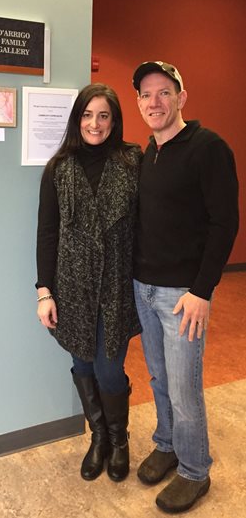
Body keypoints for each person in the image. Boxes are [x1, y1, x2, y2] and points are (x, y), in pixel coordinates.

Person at [132, 61, 239, 513]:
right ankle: (167, 443)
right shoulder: (148, 152)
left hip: (182, 296)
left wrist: (202, 290)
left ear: (181, 97)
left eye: (164, 92)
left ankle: (195, 470)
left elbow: (224, 222)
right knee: (159, 378)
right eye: (146, 95)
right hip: (144, 287)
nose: (154, 102)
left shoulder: (208, 147)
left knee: (184, 385)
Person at [36, 83, 142, 483]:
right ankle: (98, 437)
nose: (94, 124)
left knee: (109, 367)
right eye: (87, 115)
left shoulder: (132, 161)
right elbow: (47, 232)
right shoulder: (58, 168)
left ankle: (119, 440)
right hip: (72, 285)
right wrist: (44, 291)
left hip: (117, 284)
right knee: (81, 361)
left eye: (103, 115)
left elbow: (146, 225)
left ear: (114, 121)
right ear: (76, 119)